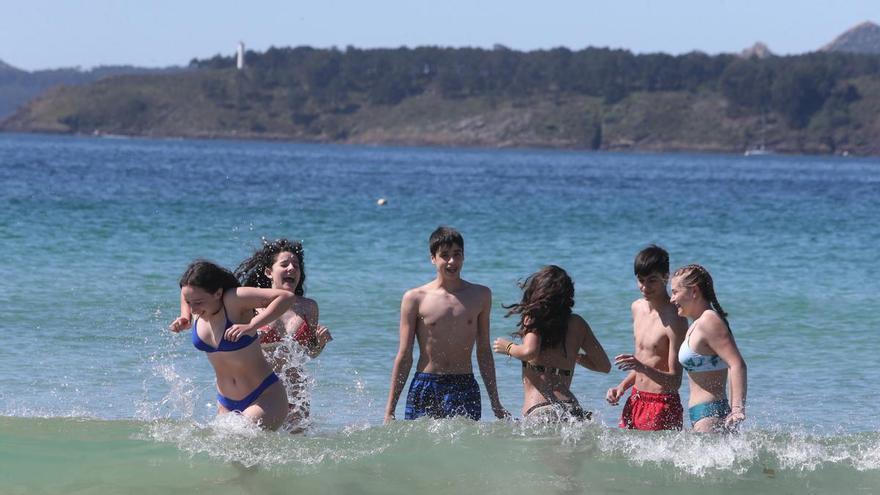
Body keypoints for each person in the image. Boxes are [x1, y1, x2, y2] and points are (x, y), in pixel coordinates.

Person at [384, 226, 508, 423]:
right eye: (445, 255)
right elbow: (405, 354)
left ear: (464, 256)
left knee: (465, 450)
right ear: (433, 258)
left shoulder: (481, 295)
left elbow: (484, 351)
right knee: (420, 449)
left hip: (464, 384)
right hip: (426, 384)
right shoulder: (414, 298)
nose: (452, 261)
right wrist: (389, 410)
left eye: (457, 254)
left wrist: (496, 402)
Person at [168, 260, 294, 430]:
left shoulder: (233, 300)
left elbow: (285, 297)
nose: (193, 309)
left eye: (198, 302)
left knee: (238, 437)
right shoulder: (196, 307)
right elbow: (185, 294)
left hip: (265, 396)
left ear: (217, 293)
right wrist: (185, 317)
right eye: (190, 303)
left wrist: (252, 325)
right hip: (226, 403)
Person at [234, 238, 333, 432]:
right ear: (269, 272)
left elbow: (311, 352)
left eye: (296, 265)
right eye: (284, 264)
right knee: (254, 441)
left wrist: (320, 343)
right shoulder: (252, 305)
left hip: (296, 391)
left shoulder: (308, 307)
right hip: (260, 389)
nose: (291, 268)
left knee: (294, 450)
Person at [492, 265, 611, 421]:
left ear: (537, 292)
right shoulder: (578, 323)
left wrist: (507, 347)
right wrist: (577, 357)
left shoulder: (533, 317)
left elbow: (529, 352)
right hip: (572, 407)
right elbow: (604, 366)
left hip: (540, 411)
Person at [606, 245, 689, 430]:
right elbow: (645, 361)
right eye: (640, 280)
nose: (644, 287)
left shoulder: (676, 319)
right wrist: (622, 387)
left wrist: (641, 366)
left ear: (666, 277)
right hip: (635, 398)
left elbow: (675, 381)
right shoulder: (637, 308)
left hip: (662, 403)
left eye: (652, 280)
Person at [670, 264, 747, 432]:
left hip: (711, 412)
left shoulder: (709, 321)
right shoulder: (696, 324)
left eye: (675, 292)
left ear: (694, 291)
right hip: (701, 413)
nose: (672, 299)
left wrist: (737, 409)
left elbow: (737, 364)